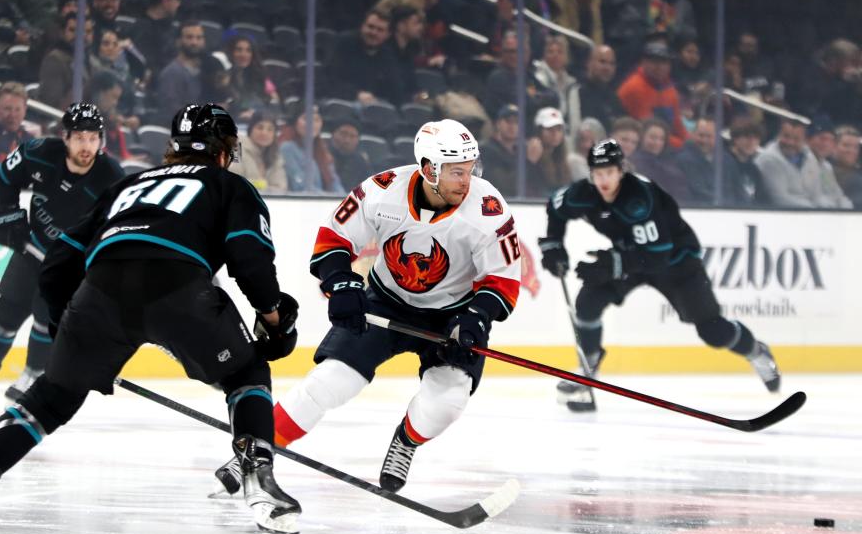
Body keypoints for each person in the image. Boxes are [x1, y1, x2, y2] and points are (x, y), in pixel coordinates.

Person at [0, 103, 303, 534]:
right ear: (225, 150)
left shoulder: (128, 185)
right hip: (179, 287)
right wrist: (274, 320)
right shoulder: (229, 185)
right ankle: (259, 477)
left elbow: (58, 263)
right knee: (246, 371)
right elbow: (249, 260)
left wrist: (73, 320)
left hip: (99, 292)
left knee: (53, 395)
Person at [213, 119, 521, 496]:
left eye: (470, 169)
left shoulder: (488, 210)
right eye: (457, 171)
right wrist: (341, 282)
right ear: (429, 169)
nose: (466, 180)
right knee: (328, 383)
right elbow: (334, 238)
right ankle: (257, 451)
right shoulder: (384, 190)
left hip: (452, 315)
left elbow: (502, 280)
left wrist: (476, 317)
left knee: (449, 397)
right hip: (384, 303)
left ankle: (405, 442)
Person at [538, 138, 781, 412]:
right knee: (588, 303)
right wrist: (553, 245)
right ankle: (587, 369)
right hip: (632, 257)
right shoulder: (585, 192)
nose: (603, 180)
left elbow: (656, 256)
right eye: (597, 173)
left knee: (712, 330)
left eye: (609, 172)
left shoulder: (640, 198)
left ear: (622, 170)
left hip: (676, 261)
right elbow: (556, 208)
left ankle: (757, 352)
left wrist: (613, 264)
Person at [0, 103, 124, 406]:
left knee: (44, 320)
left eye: (93, 138)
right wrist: (8, 214)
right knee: (3, 316)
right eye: (79, 137)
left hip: (68, 264)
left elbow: (119, 222)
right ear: (65, 137)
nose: (86, 145)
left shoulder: (111, 176)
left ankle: (33, 376)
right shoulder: (39, 152)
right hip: (32, 250)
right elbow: (4, 176)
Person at [231, 110, 287, 193]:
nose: (264, 133)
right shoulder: (236, 149)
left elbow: (280, 187)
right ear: (250, 130)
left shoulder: (275, 156)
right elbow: (234, 182)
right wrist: (262, 185)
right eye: (260, 127)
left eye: (270, 129)